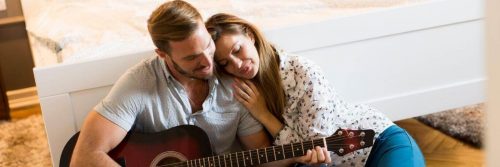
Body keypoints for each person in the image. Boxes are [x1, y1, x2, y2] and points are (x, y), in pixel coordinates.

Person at [205, 13, 426, 167]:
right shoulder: (241, 90)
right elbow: (290, 158)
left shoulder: (300, 71)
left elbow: (317, 147)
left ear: (249, 36)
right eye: (224, 63)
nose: (236, 64)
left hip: (376, 144)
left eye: (237, 49)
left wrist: (263, 113)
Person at [69, 1, 272, 166]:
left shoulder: (231, 73)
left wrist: (297, 155)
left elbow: (263, 155)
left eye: (208, 45)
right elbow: (85, 157)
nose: (209, 62)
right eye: (192, 58)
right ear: (162, 54)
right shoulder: (139, 82)